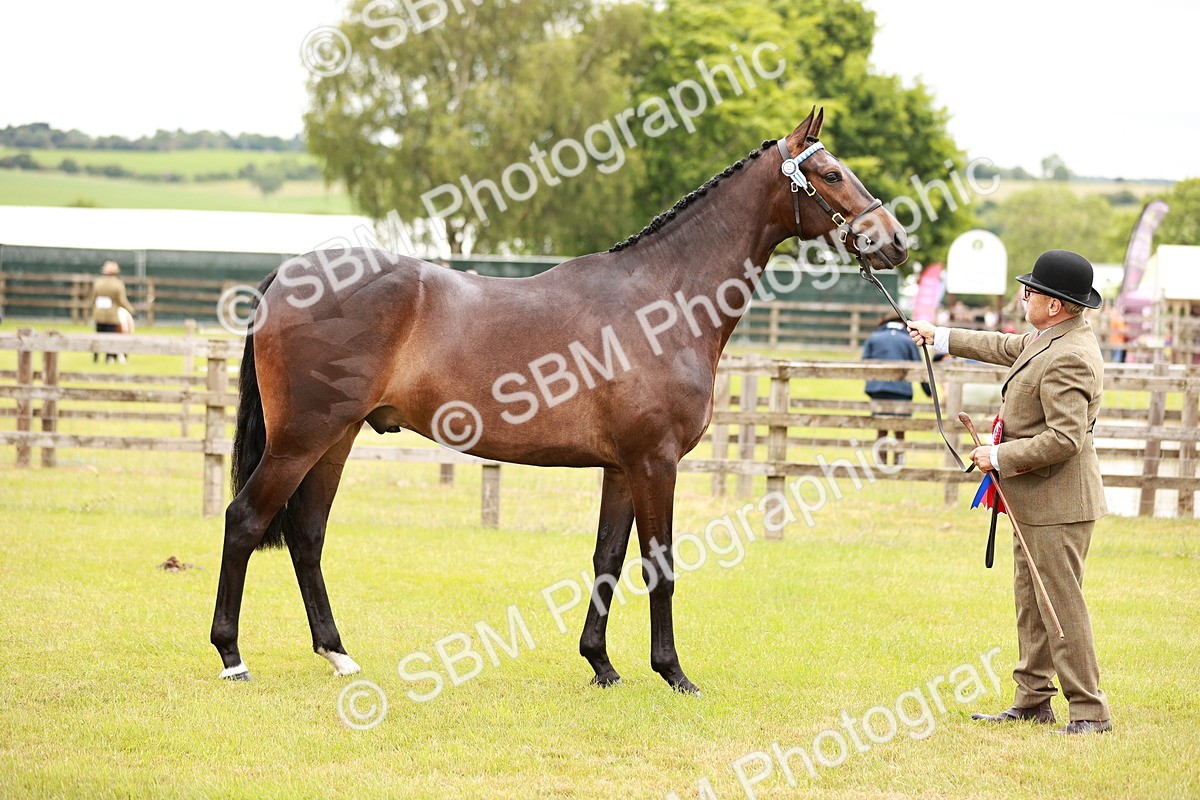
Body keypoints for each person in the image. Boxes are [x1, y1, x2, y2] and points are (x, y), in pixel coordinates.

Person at [908, 249, 1111, 735]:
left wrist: (997, 457)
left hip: (1058, 503)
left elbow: (1066, 439)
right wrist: (943, 336)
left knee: (1060, 606)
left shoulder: (1070, 357)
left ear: (1056, 305)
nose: (1023, 297)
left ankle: (1089, 711)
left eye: (1030, 291)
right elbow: (1005, 346)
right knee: (1032, 602)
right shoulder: (1050, 338)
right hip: (1036, 500)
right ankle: (1032, 700)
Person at [861, 313, 930, 466]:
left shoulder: (874, 338)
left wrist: (871, 383)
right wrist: (928, 391)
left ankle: (881, 462)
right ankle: (898, 463)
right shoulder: (908, 341)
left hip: (878, 389)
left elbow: (864, 362)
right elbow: (919, 368)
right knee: (900, 428)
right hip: (902, 391)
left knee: (881, 427)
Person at [87, 260, 134, 363]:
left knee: (98, 335)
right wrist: (131, 309)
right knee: (110, 337)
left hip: (98, 314)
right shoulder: (118, 284)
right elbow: (122, 301)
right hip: (112, 315)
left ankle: (95, 357)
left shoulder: (97, 283)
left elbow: (92, 299)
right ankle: (108, 358)